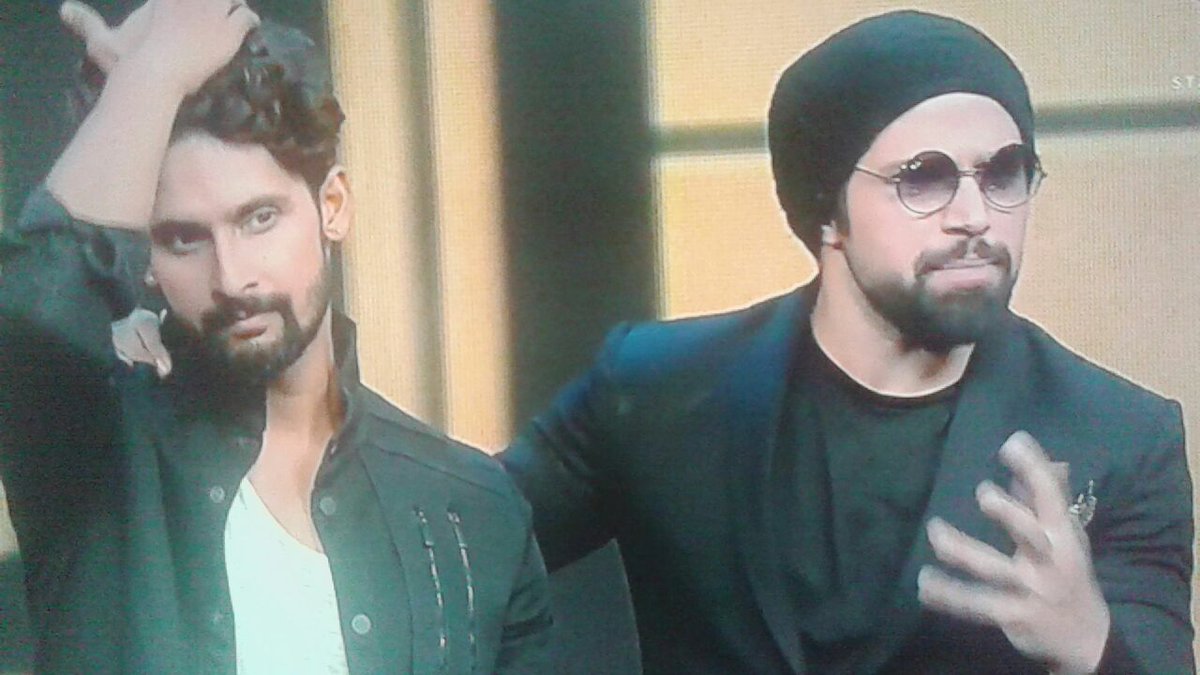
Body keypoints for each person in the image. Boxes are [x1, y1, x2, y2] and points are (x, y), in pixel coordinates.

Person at [499, 10, 1192, 674]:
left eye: (1003, 172)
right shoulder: (657, 387)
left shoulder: (1121, 436)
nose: (975, 215)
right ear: (826, 210)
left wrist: (1093, 647)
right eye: (924, 178)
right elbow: (464, 544)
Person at [0, 1, 550, 672]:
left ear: (333, 207)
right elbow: (30, 312)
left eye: (259, 218)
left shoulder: (473, 508)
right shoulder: (94, 456)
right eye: (183, 238)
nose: (232, 278)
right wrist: (151, 80)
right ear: (146, 255)